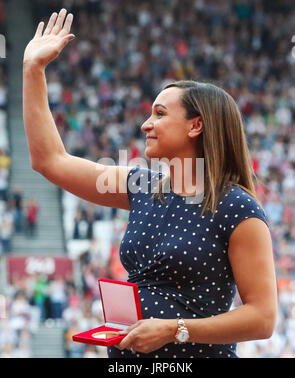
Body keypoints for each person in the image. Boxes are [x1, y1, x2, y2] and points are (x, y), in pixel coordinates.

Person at [23, 9, 277, 358]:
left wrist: (176, 330)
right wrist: (33, 71)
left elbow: (262, 318)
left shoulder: (236, 207)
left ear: (195, 126)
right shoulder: (142, 185)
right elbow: (50, 161)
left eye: (159, 113)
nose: (145, 124)